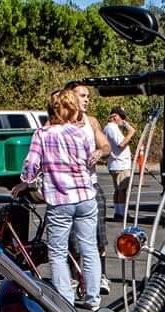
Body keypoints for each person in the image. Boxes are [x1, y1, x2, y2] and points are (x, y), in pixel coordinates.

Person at [13, 89, 102, 311]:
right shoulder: (80, 133)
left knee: (58, 252)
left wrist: (27, 180)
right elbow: (89, 160)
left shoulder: (42, 134)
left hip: (60, 199)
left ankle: (65, 300)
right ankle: (93, 297)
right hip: (85, 196)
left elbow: (32, 164)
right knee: (89, 247)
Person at [65, 81, 112, 294]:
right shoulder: (58, 123)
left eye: (88, 96)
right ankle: (74, 278)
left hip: (91, 187)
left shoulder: (91, 122)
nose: (86, 100)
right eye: (82, 95)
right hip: (68, 190)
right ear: (69, 97)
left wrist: (100, 152)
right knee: (72, 240)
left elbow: (106, 145)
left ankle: (101, 277)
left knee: (98, 237)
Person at [104, 106, 137, 221]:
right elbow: (121, 144)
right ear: (114, 116)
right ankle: (122, 214)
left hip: (115, 162)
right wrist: (131, 132)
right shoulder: (112, 128)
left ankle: (118, 212)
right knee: (122, 189)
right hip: (120, 164)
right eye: (120, 117)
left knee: (118, 190)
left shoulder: (109, 128)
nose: (122, 120)